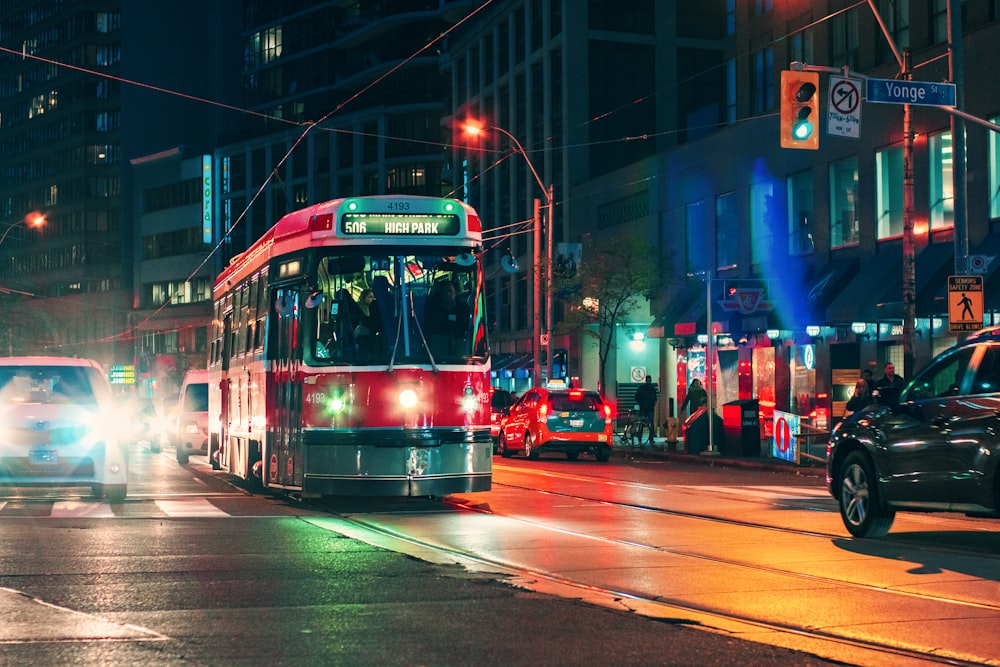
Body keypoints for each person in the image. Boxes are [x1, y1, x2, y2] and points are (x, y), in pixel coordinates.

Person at [423, 280, 470, 358]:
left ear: (456, 292)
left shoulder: (462, 309)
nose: (447, 294)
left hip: (458, 345)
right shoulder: (434, 310)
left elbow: (466, 326)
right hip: (438, 347)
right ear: (441, 293)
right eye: (444, 291)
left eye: (450, 291)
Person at [351, 288, 383, 355]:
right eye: (370, 297)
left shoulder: (374, 308)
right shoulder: (360, 309)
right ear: (364, 297)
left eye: (374, 297)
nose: (372, 299)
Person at [633, 375, 658, 445]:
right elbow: (655, 398)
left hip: (643, 409)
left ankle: (640, 439)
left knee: (641, 424)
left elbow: (636, 397)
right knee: (651, 424)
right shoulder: (652, 389)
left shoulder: (641, 388)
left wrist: (641, 403)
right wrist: (652, 403)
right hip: (650, 409)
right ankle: (651, 439)